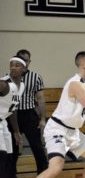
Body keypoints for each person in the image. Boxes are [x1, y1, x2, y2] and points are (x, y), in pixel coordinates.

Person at [7, 49, 49, 177]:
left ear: (29, 62)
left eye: (25, 60)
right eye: (20, 59)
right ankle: (10, 174)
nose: (22, 62)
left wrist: (42, 118)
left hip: (29, 114)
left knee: (37, 148)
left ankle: (43, 174)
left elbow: (41, 98)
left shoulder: (35, 77)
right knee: (12, 150)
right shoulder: (7, 77)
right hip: (12, 115)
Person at [0, 56, 26, 178]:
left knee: (9, 156)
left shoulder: (22, 86)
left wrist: (16, 132)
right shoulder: (4, 84)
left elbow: (13, 109)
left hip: (3, 122)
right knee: (2, 157)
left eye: (17, 65)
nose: (13, 67)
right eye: (11, 65)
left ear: (24, 68)